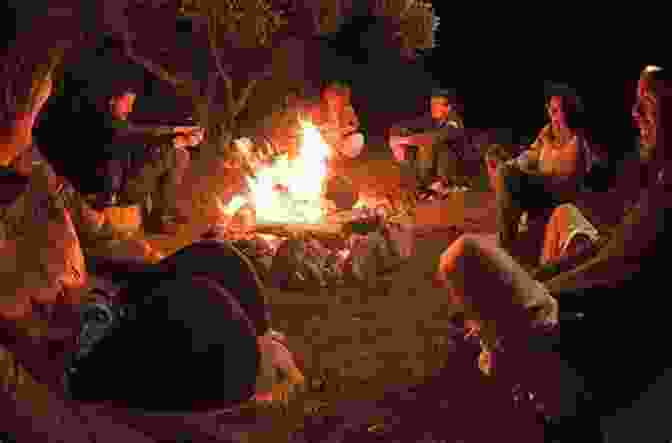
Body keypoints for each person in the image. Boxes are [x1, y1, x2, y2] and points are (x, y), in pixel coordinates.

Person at [0, 26, 299, 442]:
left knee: (219, 262)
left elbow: (98, 232)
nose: (36, 121)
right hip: (69, 355)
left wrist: (159, 275)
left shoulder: (28, 166)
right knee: (210, 320)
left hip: (98, 303)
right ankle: (239, 374)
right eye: (34, 106)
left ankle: (253, 360)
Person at [435, 65, 672, 439]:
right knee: (563, 219)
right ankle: (495, 337)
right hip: (587, 293)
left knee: (463, 256)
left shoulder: (656, 191)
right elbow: (605, 248)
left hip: (595, 335)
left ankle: (520, 366)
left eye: (647, 105)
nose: (634, 115)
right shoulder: (658, 181)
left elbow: (613, 278)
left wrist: (544, 290)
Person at [494, 87, 594, 255]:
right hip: (543, 190)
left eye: (556, 110)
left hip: (561, 195)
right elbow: (530, 157)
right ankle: (507, 243)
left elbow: (567, 174)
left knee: (510, 175)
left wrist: (548, 145)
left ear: (568, 112)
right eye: (550, 109)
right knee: (506, 172)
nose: (551, 113)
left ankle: (506, 246)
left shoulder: (577, 140)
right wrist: (508, 164)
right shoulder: (547, 133)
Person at [389, 88, 478, 190]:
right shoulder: (435, 119)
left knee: (428, 142)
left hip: (457, 170)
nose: (432, 108)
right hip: (440, 167)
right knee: (405, 133)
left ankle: (442, 184)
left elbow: (434, 138)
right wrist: (396, 134)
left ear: (448, 108)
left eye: (436, 104)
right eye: (431, 104)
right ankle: (422, 182)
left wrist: (401, 141)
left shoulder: (454, 122)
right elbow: (406, 125)